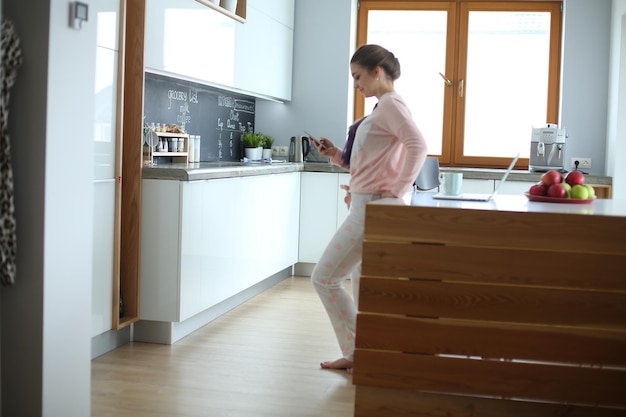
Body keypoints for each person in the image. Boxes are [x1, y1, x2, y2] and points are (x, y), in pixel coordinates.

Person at [310, 44, 428, 372]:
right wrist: (336, 154)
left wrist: (397, 191)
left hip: (372, 209)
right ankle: (363, 352)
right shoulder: (382, 108)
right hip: (365, 205)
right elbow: (370, 164)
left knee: (324, 278)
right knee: (360, 284)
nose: (356, 83)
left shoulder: (390, 104)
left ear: (377, 71)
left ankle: (357, 349)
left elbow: (419, 144)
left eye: (358, 76)